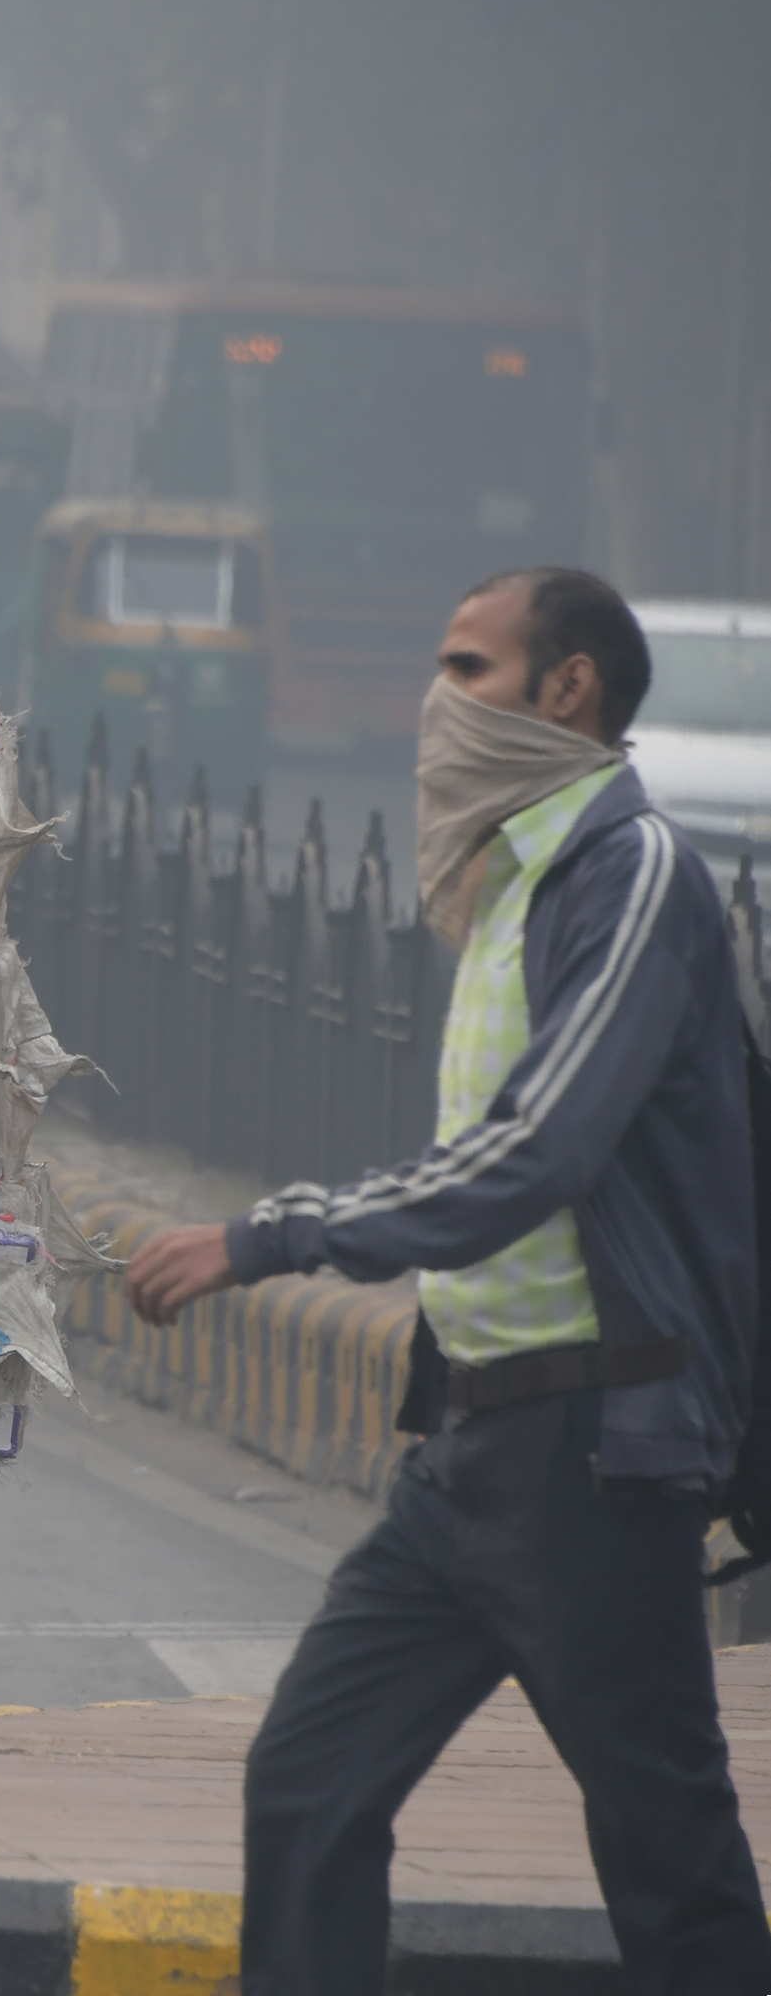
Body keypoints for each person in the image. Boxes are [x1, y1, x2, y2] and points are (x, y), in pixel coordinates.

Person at [125, 567, 770, 1995]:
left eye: (467, 668)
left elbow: (532, 1155)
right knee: (308, 1783)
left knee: (668, 1857)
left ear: (569, 688)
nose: (437, 700)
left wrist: (267, 1235)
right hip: (471, 1450)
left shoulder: (629, 873)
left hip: (593, 1453)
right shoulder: (515, 876)